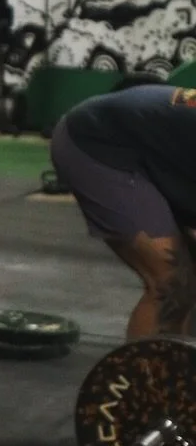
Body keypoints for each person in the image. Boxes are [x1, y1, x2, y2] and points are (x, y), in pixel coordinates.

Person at [50, 83, 196, 338]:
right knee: (172, 284)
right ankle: (146, 375)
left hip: (149, 148)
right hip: (96, 143)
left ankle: (178, 367)